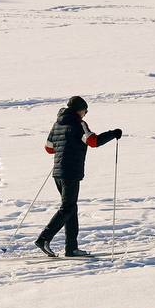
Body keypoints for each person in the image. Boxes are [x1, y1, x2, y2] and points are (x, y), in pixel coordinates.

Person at [36, 96, 121, 257]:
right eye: (85, 110)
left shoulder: (57, 123)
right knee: (68, 208)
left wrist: (64, 147)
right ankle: (44, 239)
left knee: (71, 209)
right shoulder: (79, 123)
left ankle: (71, 248)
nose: (85, 114)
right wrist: (113, 134)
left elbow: (49, 148)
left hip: (58, 172)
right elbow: (93, 141)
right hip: (71, 172)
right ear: (79, 109)